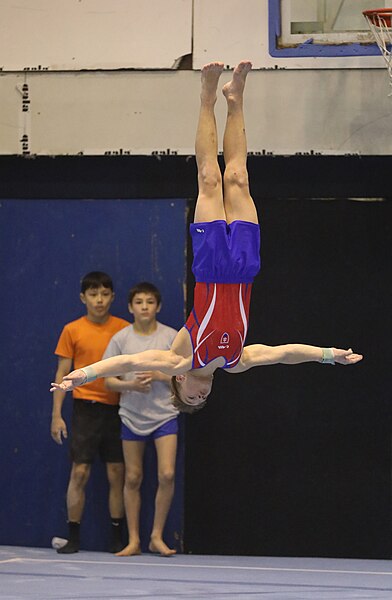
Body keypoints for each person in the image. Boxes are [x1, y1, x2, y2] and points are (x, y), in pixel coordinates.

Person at [51, 61, 363, 413]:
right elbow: (283, 353)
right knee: (238, 177)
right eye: (204, 400)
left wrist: (85, 373)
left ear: (180, 383)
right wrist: (328, 355)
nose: (202, 396)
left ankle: (206, 96)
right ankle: (236, 98)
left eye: (192, 398)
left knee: (210, 179)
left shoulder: (178, 361)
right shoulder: (236, 360)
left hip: (212, 266)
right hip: (245, 268)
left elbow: (130, 363)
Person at [51, 271, 129, 553]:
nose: (100, 300)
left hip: (117, 409)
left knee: (117, 472)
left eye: (105, 294)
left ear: (113, 297)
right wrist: (56, 414)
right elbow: (62, 372)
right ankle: (73, 536)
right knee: (80, 472)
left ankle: (119, 538)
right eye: (94, 294)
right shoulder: (72, 330)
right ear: (83, 298)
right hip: (84, 409)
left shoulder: (123, 329)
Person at [102, 282, 179, 557]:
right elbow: (109, 381)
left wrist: (160, 376)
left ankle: (156, 537)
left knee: (167, 473)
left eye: (149, 302)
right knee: (132, 477)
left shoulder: (172, 338)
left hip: (164, 415)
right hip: (131, 416)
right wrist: (130, 385)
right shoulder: (121, 340)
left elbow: (186, 378)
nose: (144, 306)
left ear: (157, 306)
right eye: (139, 302)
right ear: (130, 307)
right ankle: (133, 540)